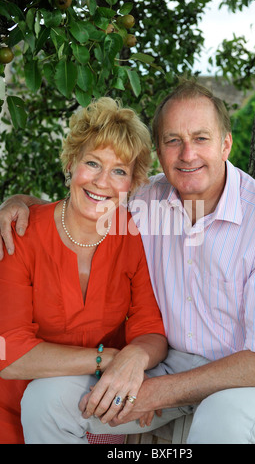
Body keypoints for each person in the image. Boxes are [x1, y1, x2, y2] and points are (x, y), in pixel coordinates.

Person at [1, 79, 255, 444]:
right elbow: (88, 199)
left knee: (223, 420)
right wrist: (19, 203)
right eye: (173, 140)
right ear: (159, 151)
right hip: (170, 364)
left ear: (226, 144)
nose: (187, 154)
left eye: (201, 138)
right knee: (46, 400)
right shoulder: (145, 202)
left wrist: (154, 392)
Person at [0, 97, 167, 444]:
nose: (102, 182)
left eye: (119, 170)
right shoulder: (21, 233)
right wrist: (108, 360)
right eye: (93, 163)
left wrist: (135, 360)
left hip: (91, 407)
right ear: (72, 162)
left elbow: (150, 330)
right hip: (12, 411)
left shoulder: (132, 235)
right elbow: (9, 353)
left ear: (132, 182)